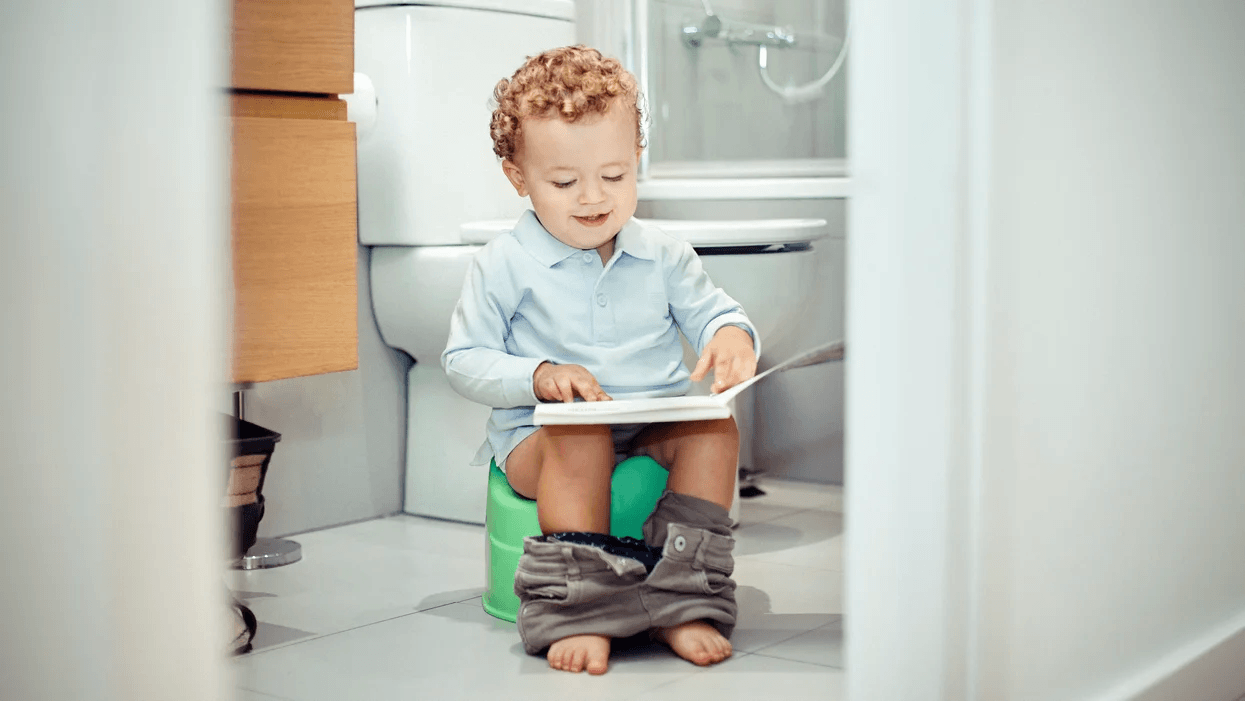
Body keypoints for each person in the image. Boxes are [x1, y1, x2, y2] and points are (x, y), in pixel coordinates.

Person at [442, 45, 759, 675]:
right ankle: (579, 609)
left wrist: (731, 336)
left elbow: (714, 312)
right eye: (564, 182)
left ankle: (681, 595)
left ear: (637, 160)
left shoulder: (665, 253)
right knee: (581, 435)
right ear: (517, 177)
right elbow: (462, 358)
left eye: (615, 176)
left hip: (646, 421)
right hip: (545, 436)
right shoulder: (504, 263)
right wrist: (538, 376)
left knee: (714, 431)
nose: (593, 197)